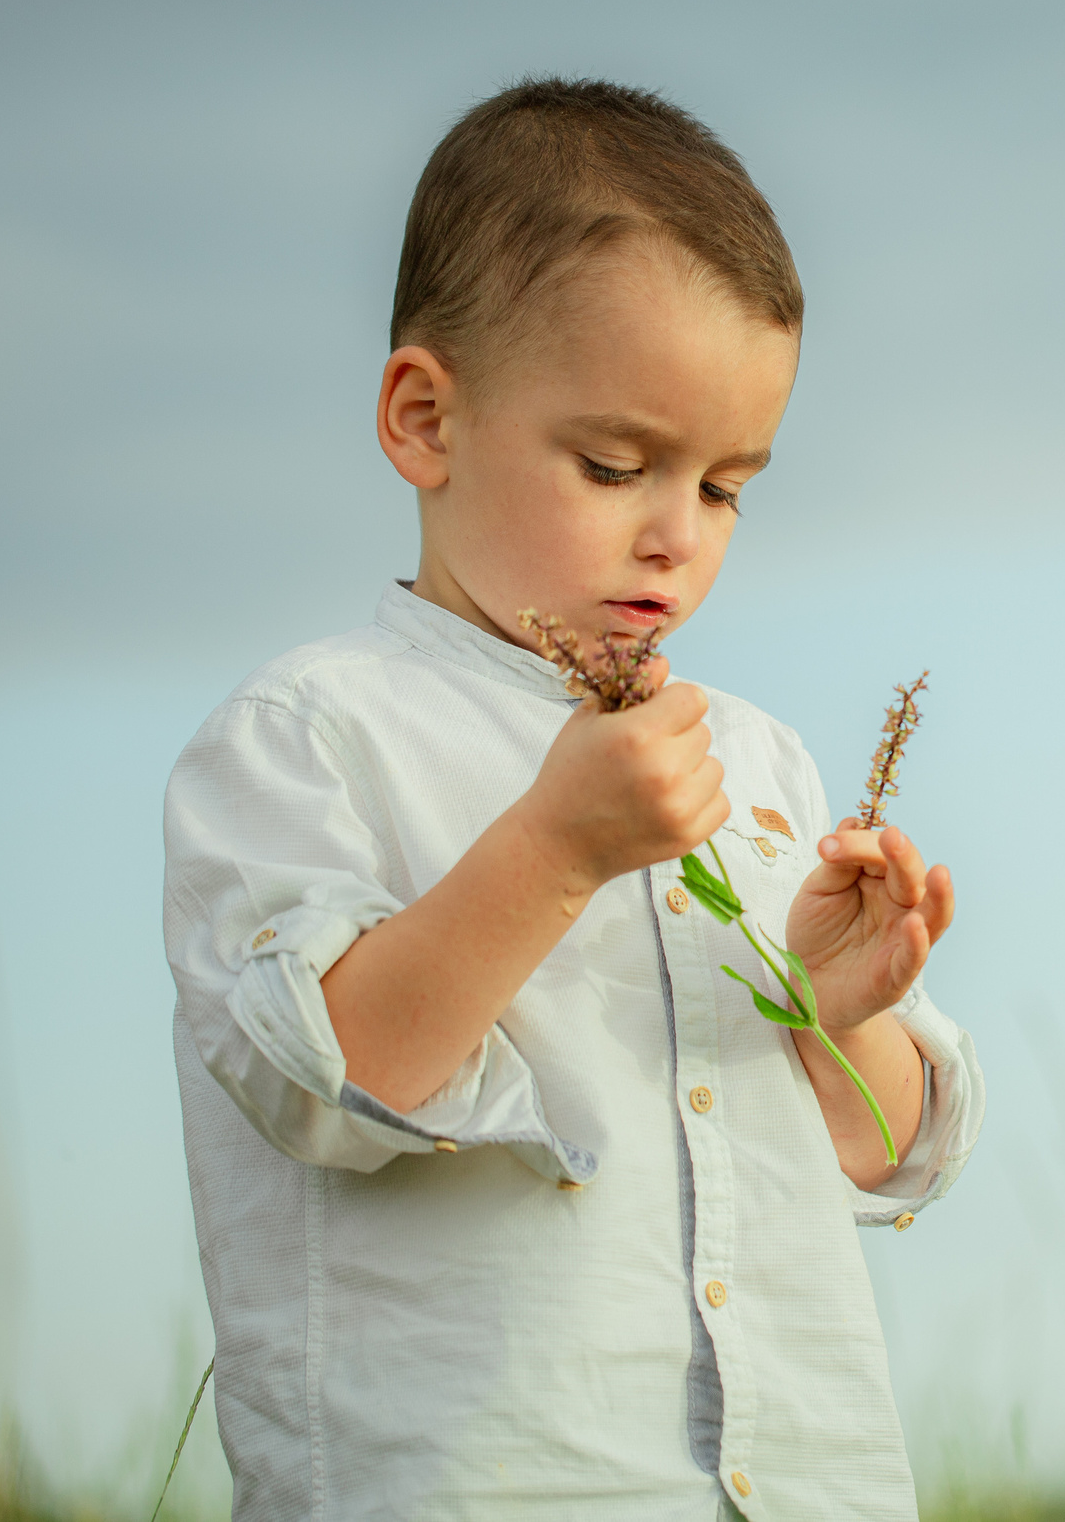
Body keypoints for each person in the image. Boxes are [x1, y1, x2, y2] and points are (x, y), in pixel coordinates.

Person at [161, 77, 983, 1521]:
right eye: (615, 465)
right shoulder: (314, 734)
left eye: (728, 487)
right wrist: (554, 848)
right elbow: (324, 1078)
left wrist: (834, 1013)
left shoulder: (758, 762)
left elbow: (875, 1158)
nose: (676, 534)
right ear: (427, 420)